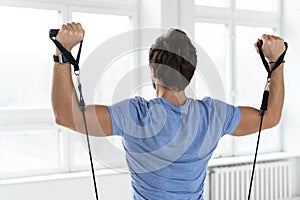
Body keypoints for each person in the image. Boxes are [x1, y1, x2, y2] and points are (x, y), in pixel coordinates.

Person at [51, 22, 286, 200]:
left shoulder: (136, 116)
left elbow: (65, 115)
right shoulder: (213, 115)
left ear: (153, 70)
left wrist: (63, 53)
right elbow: (271, 116)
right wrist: (276, 61)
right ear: (190, 71)